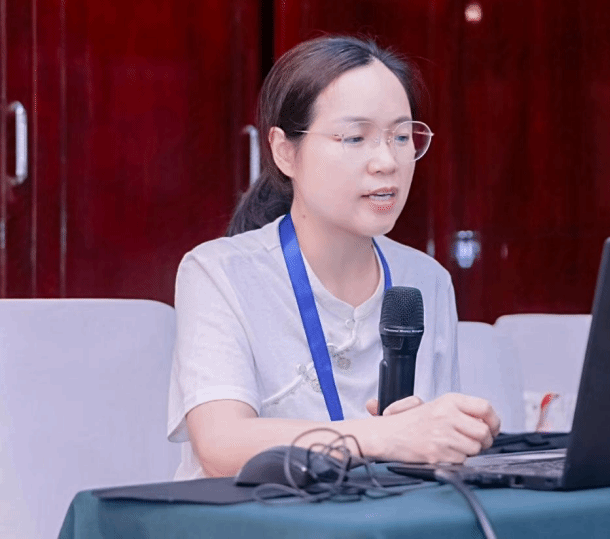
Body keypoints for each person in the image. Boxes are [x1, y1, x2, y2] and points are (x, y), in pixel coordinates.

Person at [167, 35, 500, 480]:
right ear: (285, 151)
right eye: (356, 137)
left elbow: (429, 449)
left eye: (402, 136)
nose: (387, 161)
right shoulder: (218, 272)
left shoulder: (427, 279)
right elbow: (221, 445)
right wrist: (384, 436)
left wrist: (459, 432)